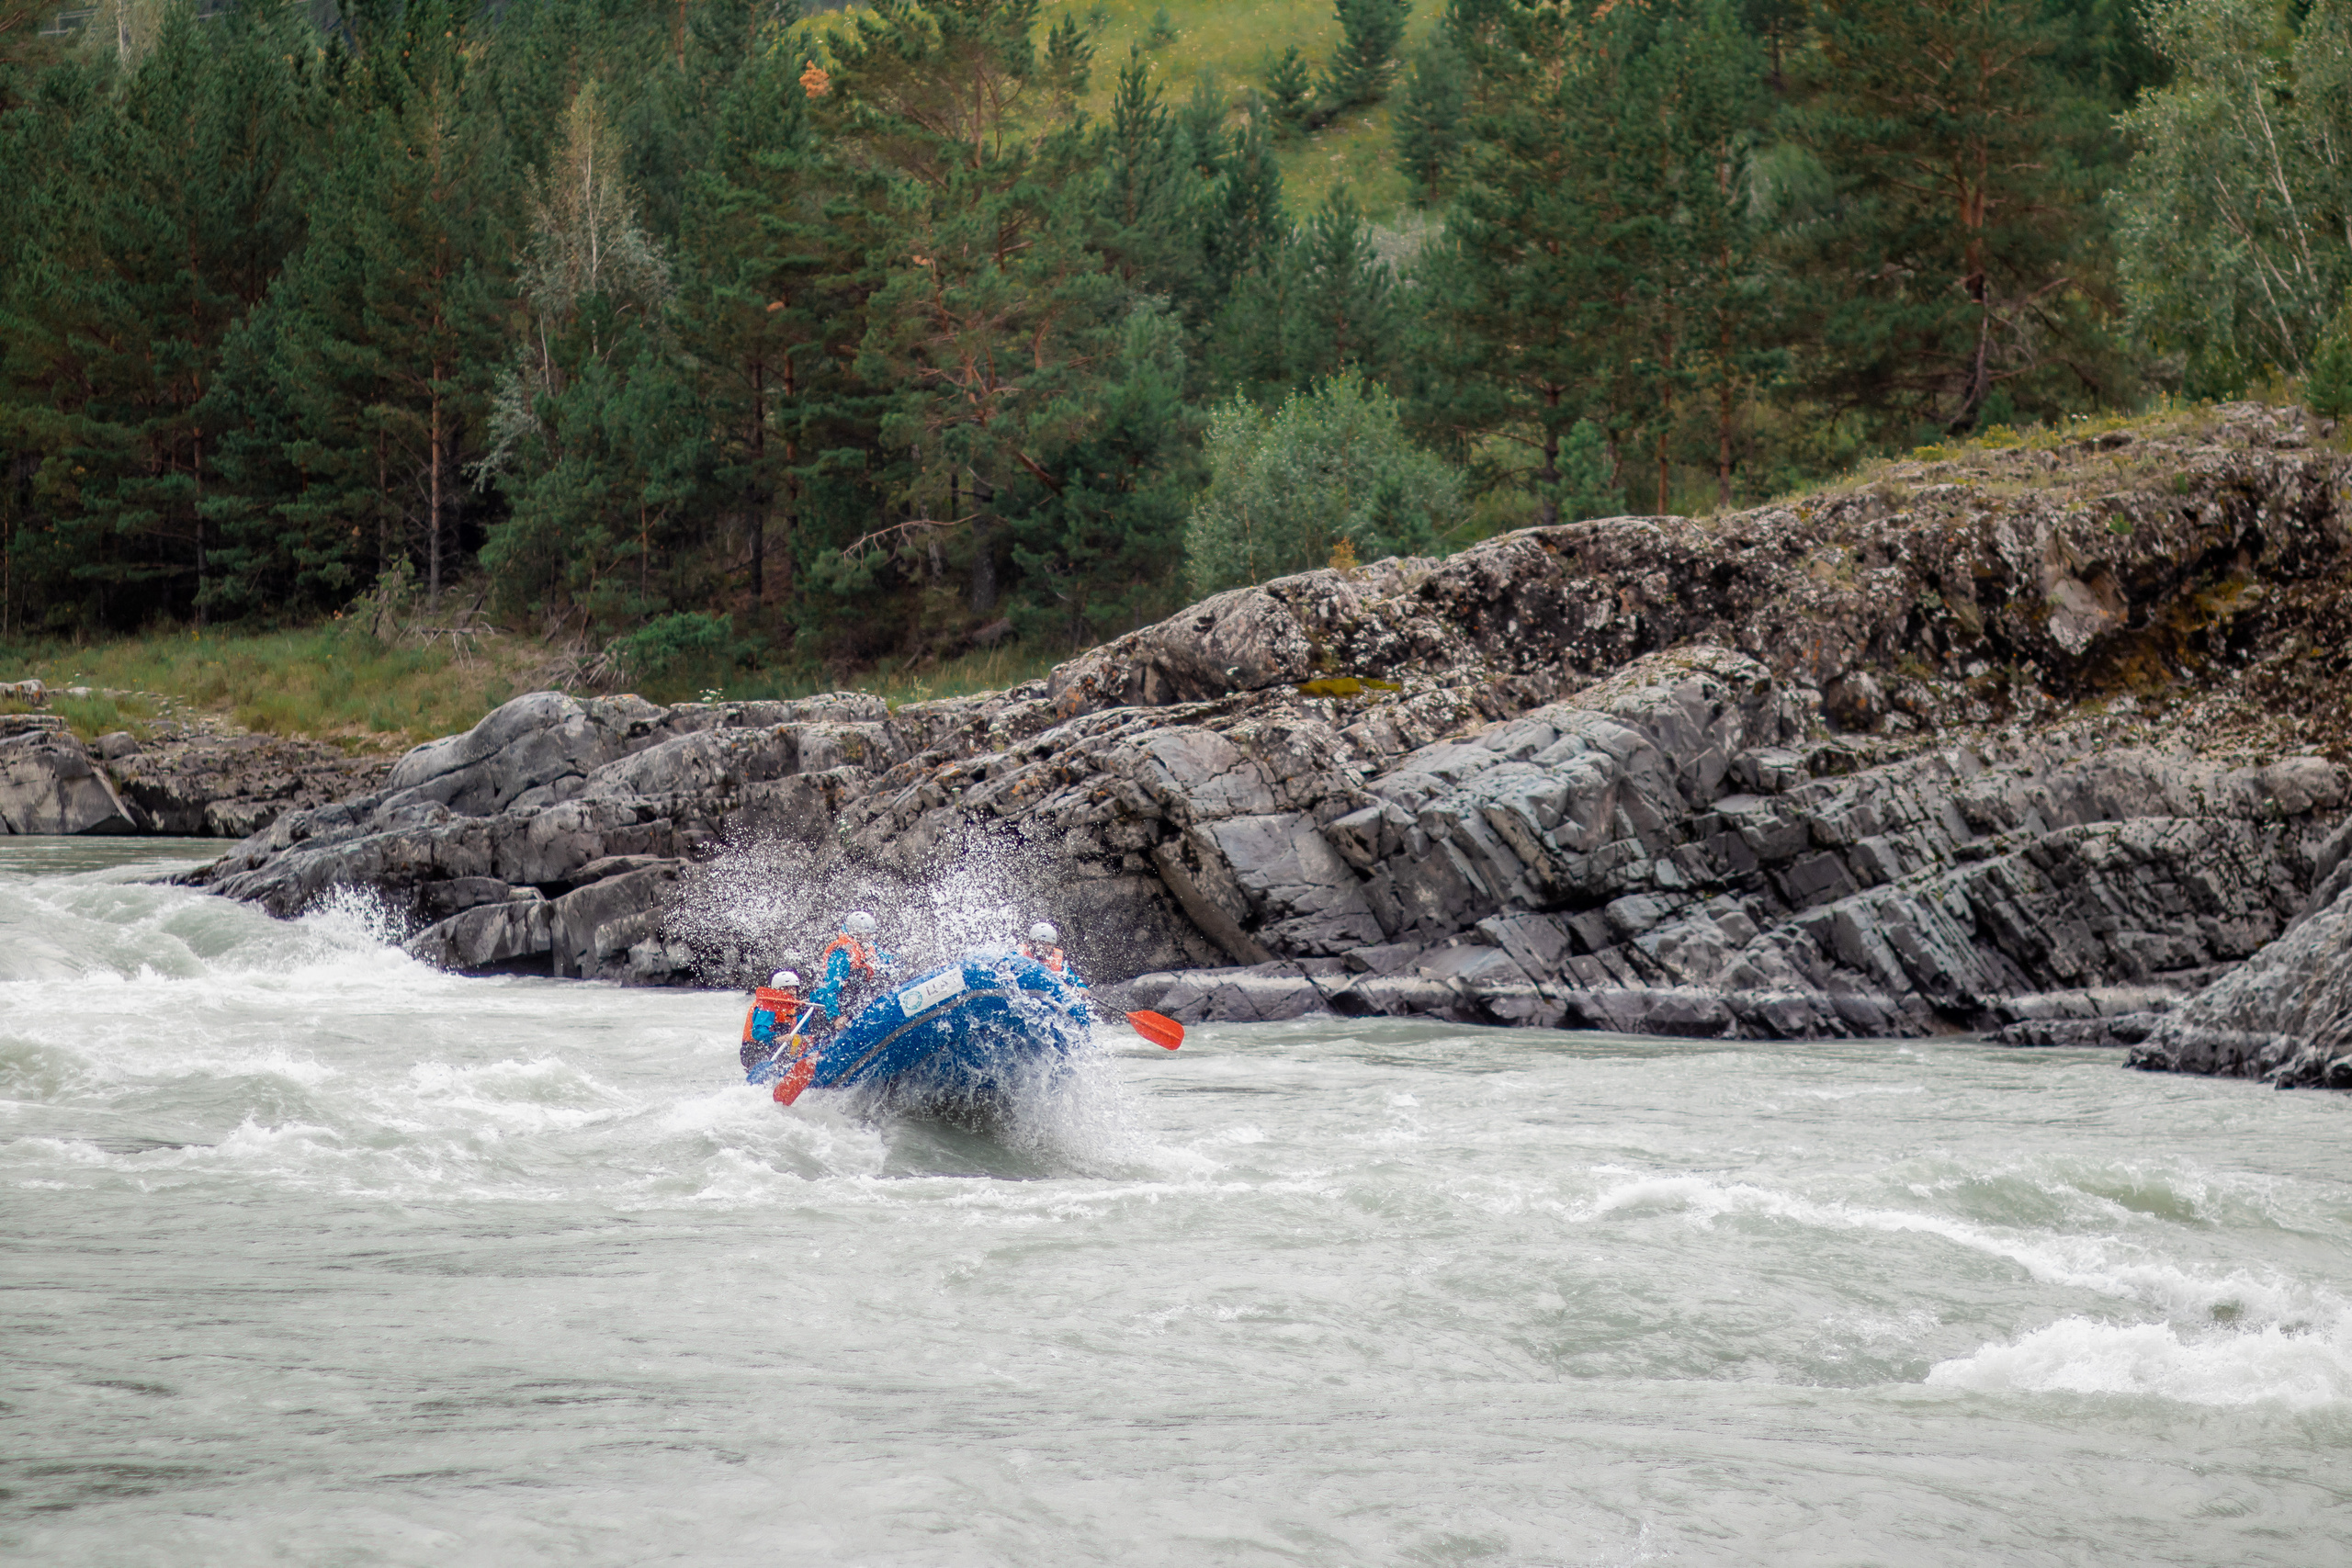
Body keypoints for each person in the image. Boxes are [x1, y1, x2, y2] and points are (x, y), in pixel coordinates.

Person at [811, 910, 893, 1023]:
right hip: (843, 1002)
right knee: (856, 980)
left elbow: (888, 962)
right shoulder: (841, 954)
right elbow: (831, 986)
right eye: (866, 934)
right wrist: (835, 1017)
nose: (869, 937)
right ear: (856, 933)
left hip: (861, 997)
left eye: (871, 934)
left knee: (879, 980)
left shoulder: (869, 946)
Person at [741, 969, 814, 1083]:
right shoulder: (766, 1006)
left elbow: (803, 1026)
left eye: (794, 988)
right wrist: (777, 1038)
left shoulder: (791, 1009)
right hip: (754, 1050)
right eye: (787, 988)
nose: (792, 992)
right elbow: (757, 1032)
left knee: (794, 1047)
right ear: (777, 989)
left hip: (774, 1049)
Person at [1016, 920, 1086, 987]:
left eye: (1049, 944)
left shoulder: (1056, 960)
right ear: (1031, 942)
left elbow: (1071, 977)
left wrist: (1081, 987)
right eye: (1042, 943)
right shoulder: (1018, 954)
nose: (1045, 947)